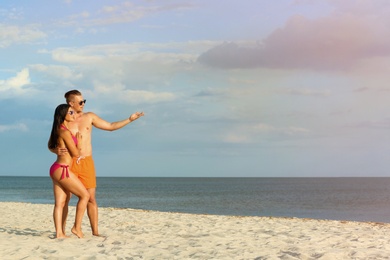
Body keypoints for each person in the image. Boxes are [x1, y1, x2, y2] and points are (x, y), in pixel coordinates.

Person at [53, 90, 144, 236]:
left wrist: (130, 119)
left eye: (84, 101)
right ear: (71, 103)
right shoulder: (65, 120)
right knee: (65, 199)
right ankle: (61, 232)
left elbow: (110, 126)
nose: (83, 104)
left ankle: (95, 232)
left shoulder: (89, 117)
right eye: (80, 102)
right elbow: (53, 142)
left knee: (91, 198)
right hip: (70, 163)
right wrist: (55, 151)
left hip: (87, 161)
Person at [48, 104, 90, 239]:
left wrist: (55, 150)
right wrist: (79, 142)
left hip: (57, 168)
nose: (73, 114)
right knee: (85, 196)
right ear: (63, 115)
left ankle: (59, 233)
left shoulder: (59, 129)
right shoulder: (65, 132)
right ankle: (76, 228)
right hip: (63, 169)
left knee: (60, 203)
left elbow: (50, 145)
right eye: (70, 112)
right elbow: (75, 153)